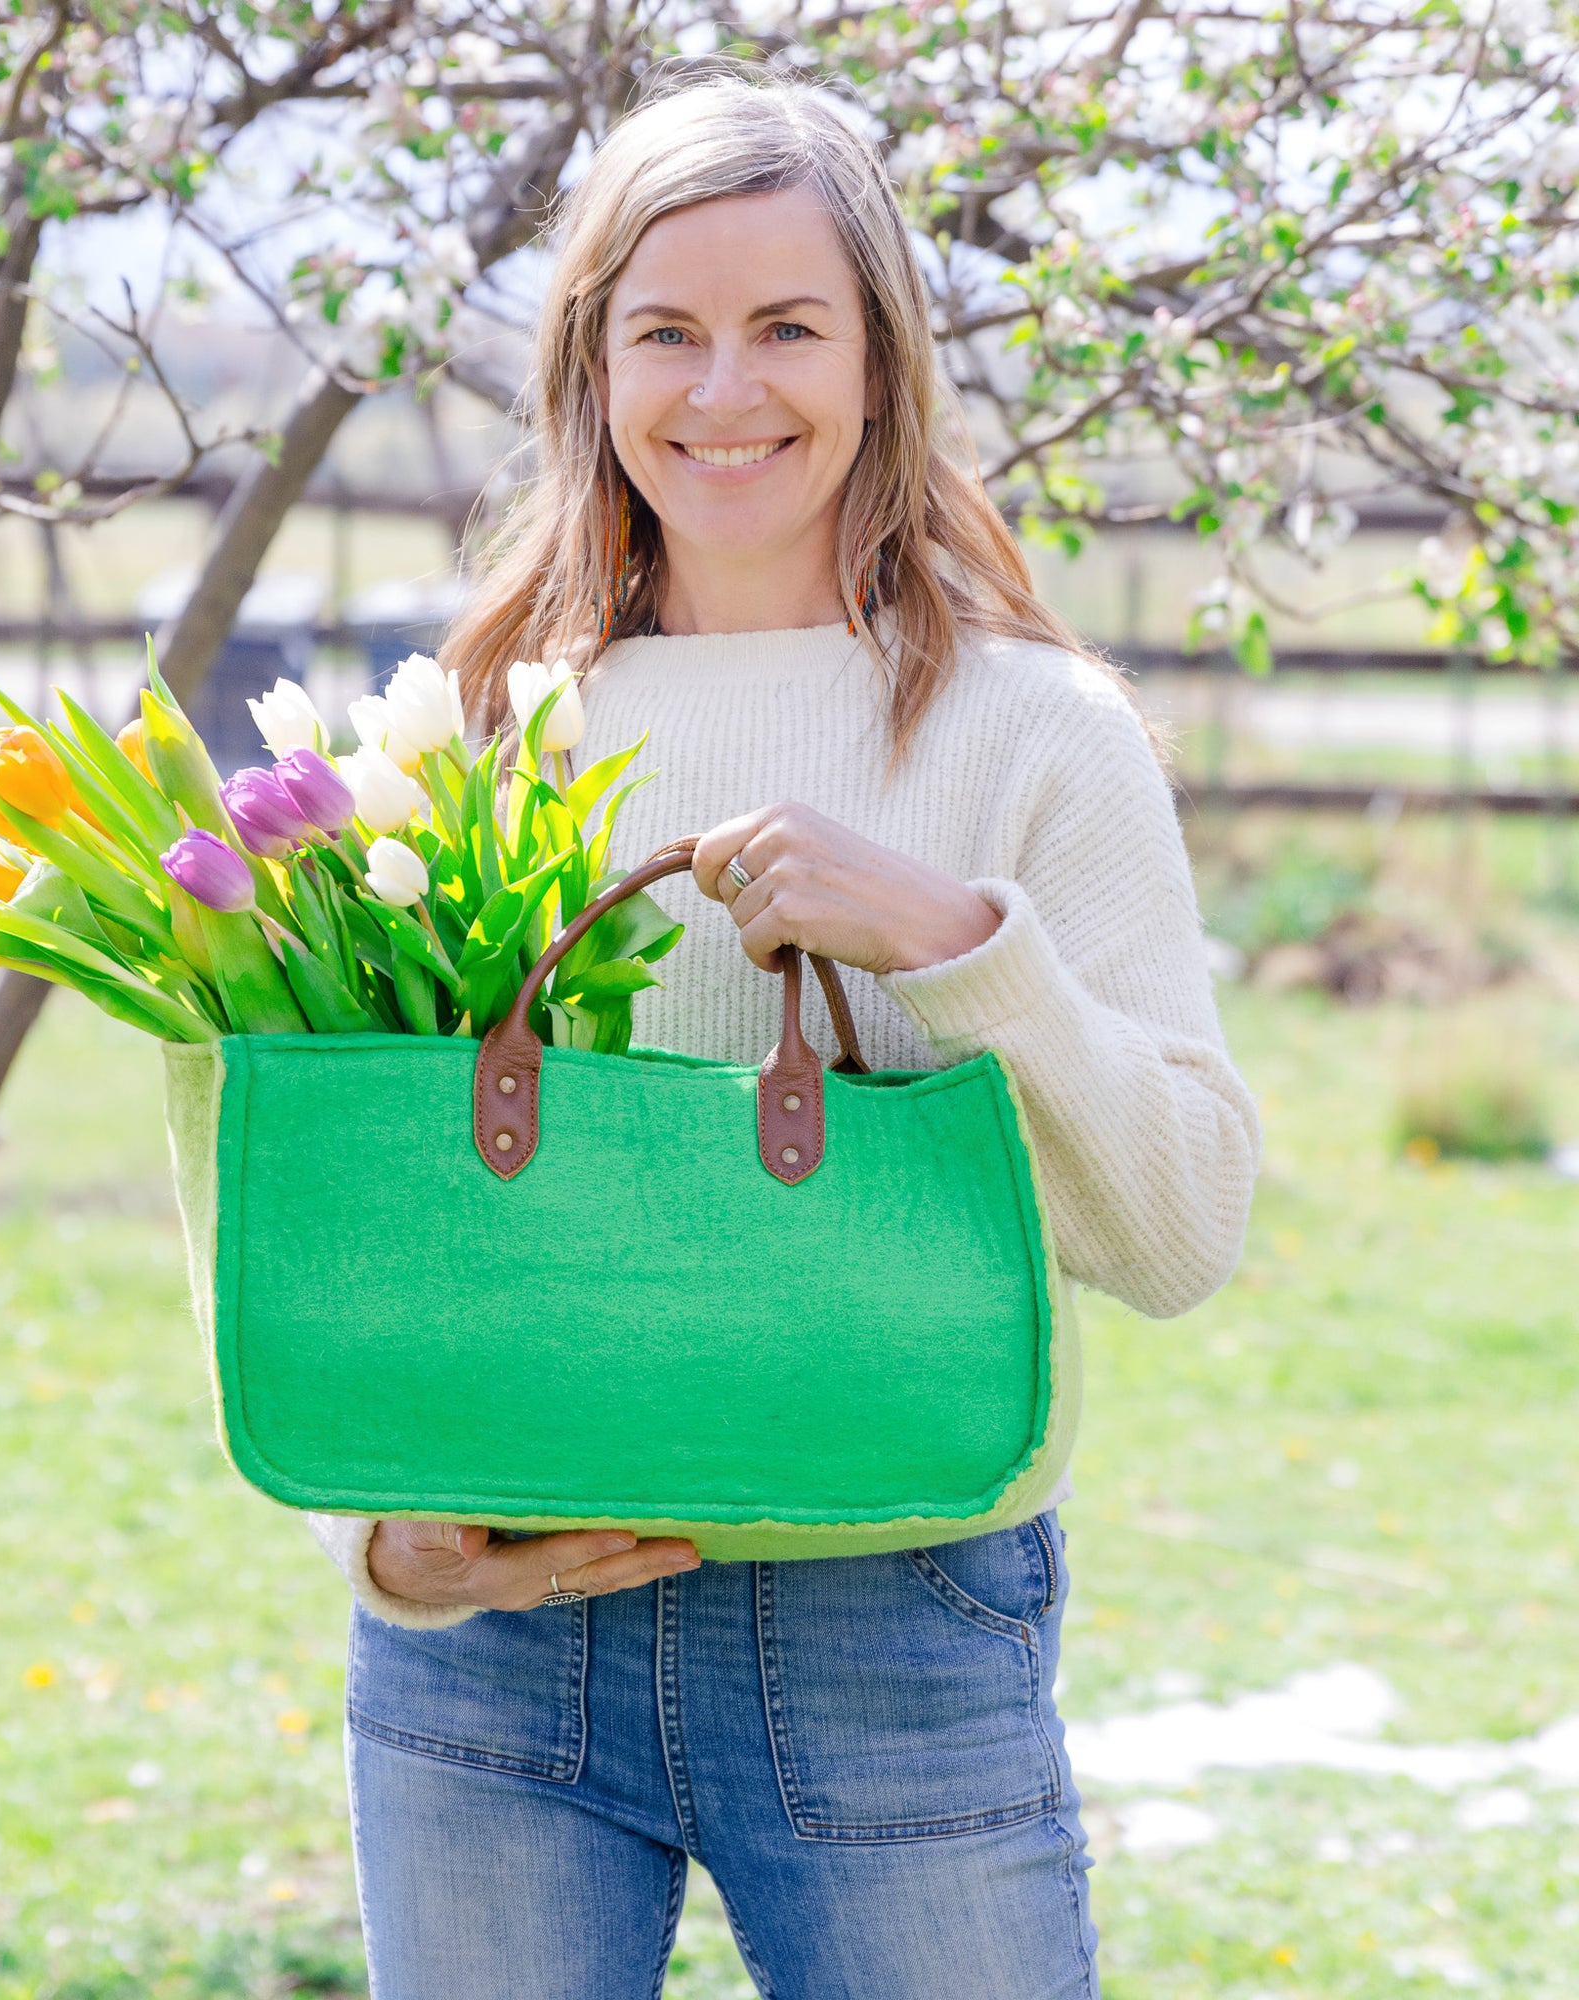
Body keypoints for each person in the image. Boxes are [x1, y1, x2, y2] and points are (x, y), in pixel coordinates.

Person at [309, 65, 1260, 2000]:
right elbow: (389, 1208)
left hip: (890, 1631)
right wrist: (388, 1546)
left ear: (883, 364)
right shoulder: (469, 732)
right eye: (666, 331)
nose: (722, 392)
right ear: (592, 368)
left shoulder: (1031, 737)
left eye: (787, 330)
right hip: (499, 1650)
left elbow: (1180, 1235)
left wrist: (946, 937)